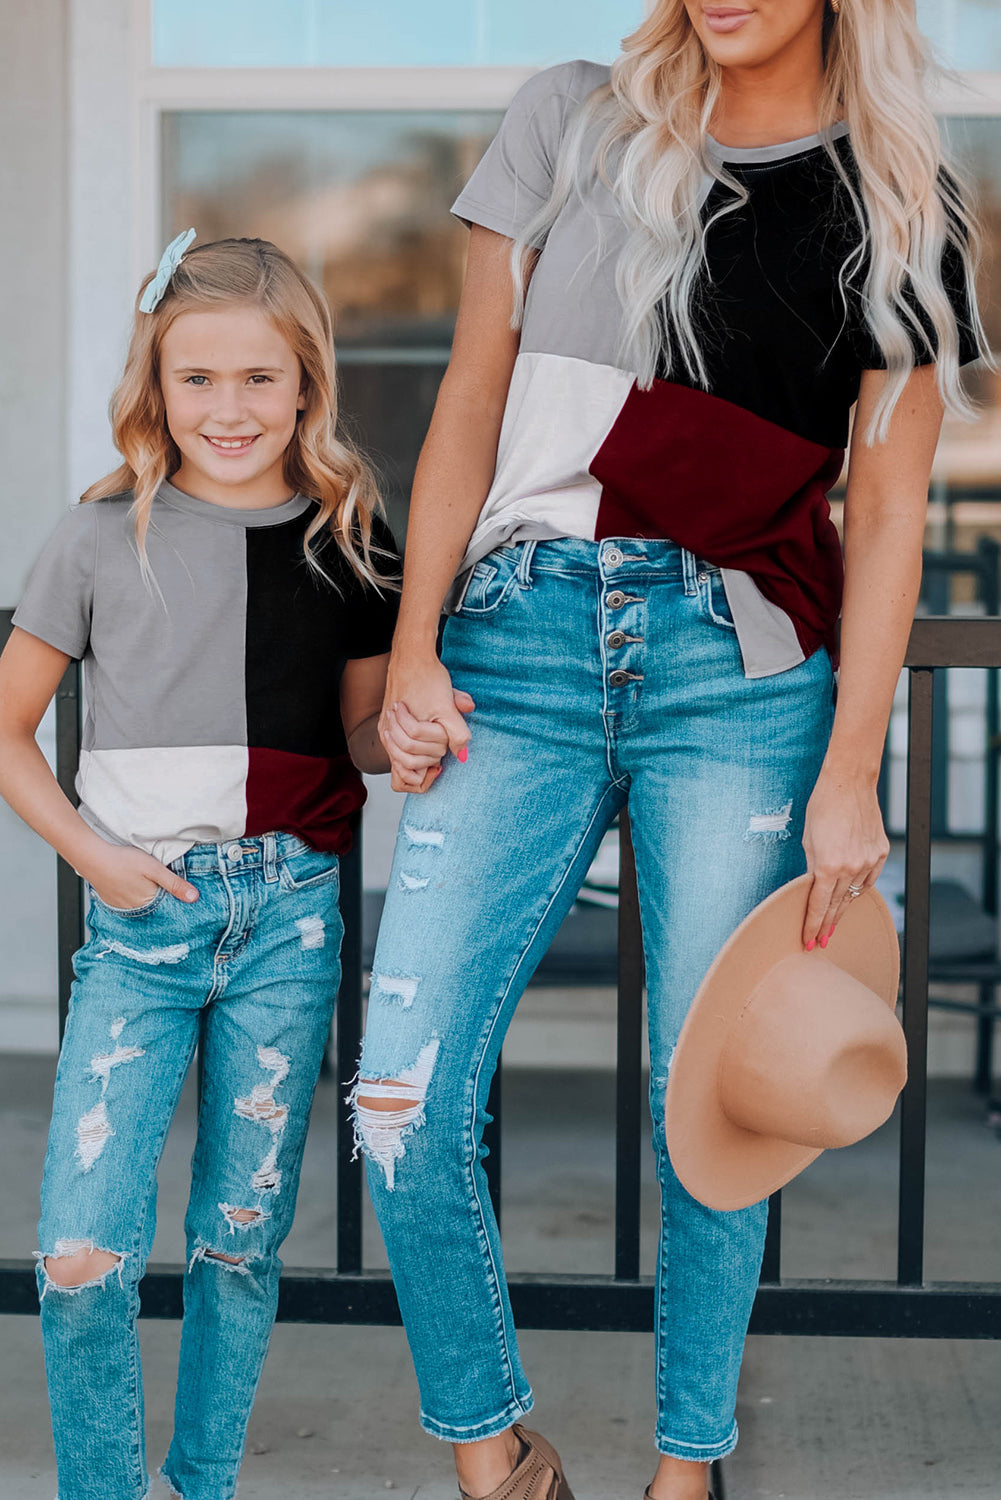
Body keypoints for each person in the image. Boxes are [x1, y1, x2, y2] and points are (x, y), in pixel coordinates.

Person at [351, 3, 986, 1499]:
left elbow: (887, 514)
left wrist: (850, 773)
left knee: (717, 1104)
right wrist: (422, 638)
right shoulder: (570, 116)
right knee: (395, 1095)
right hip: (513, 642)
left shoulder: (904, 205)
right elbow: (471, 394)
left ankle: (686, 1469)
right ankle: (497, 1453)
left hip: (743, 669)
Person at [0, 234, 447, 1500]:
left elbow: (356, 734)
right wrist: (101, 861)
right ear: (155, 385)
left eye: (259, 378)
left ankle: (203, 1485)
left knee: (238, 1240)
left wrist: (404, 745)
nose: (228, 409)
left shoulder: (354, 537)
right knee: (82, 1250)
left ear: (306, 383)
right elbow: (5, 729)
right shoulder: (96, 537)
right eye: (196, 380)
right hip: (143, 918)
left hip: (291, 916)